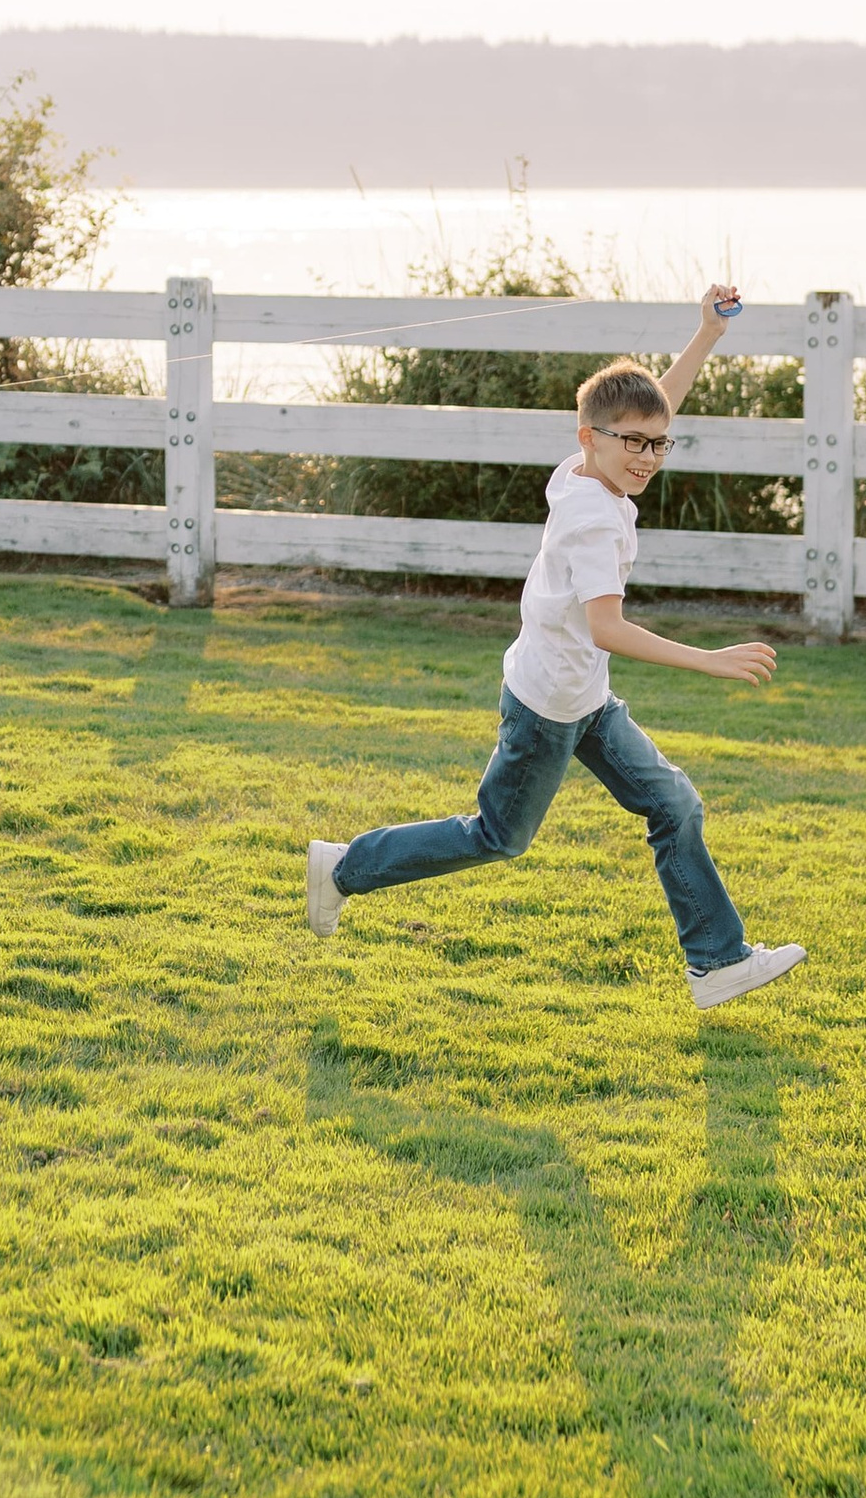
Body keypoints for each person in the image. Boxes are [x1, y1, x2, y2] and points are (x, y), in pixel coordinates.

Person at [305, 282, 804, 1007]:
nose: (647, 456)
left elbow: (645, 408)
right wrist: (711, 659)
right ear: (591, 440)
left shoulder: (582, 468)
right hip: (548, 708)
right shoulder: (594, 521)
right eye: (632, 444)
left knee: (675, 805)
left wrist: (706, 336)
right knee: (498, 837)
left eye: (657, 444)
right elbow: (608, 628)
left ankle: (717, 961)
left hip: (584, 697)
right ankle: (345, 867)